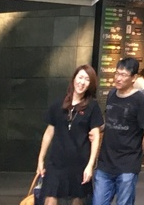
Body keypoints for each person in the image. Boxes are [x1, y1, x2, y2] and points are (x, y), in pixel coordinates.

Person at [37, 65, 103, 205]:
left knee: (77, 200)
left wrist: (90, 165)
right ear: (74, 79)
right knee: (49, 198)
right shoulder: (58, 104)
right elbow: (49, 133)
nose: (82, 82)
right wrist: (40, 159)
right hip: (56, 162)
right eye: (80, 77)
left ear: (90, 84)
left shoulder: (92, 107)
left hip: (79, 163)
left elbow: (96, 137)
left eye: (87, 79)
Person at [94, 57, 144, 205]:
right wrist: (96, 129)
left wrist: (137, 154)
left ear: (134, 78)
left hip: (127, 165)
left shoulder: (140, 100)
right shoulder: (111, 95)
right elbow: (109, 122)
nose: (118, 78)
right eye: (117, 73)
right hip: (105, 162)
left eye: (123, 75)